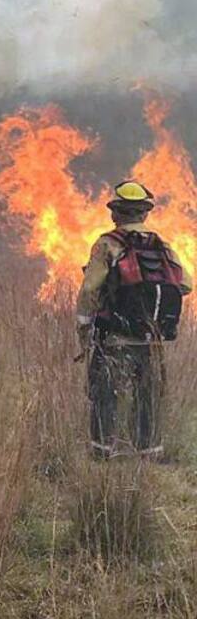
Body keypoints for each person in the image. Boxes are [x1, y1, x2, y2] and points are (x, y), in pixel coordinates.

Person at [76, 180, 191, 459]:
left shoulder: (107, 243)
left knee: (105, 393)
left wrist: (83, 328)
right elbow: (185, 284)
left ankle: (102, 454)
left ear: (115, 213)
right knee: (147, 397)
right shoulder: (161, 245)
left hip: (114, 337)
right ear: (144, 213)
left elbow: (89, 290)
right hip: (151, 340)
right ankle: (148, 453)